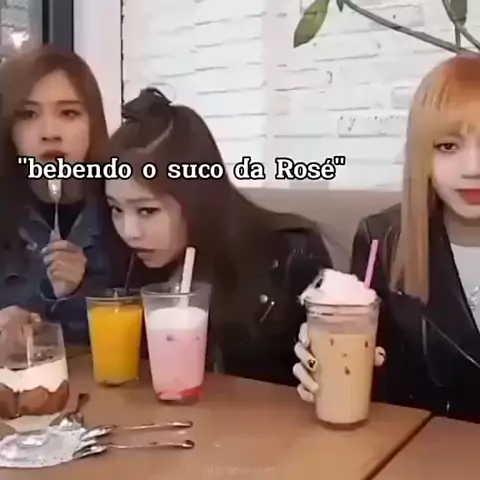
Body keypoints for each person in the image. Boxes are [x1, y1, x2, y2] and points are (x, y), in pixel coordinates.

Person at [293, 52, 480, 423]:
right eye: (447, 146)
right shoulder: (383, 240)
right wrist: (324, 365)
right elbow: (377, 382)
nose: (473, 168)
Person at [103, 87, 332, 385]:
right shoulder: (127, 264)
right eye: (116, 209)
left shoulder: (289, 255)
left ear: (197, 196)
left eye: (147, 210)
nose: (129, 232)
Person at [0, 45, 111, 344]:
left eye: (68, 113)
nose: (50, 132)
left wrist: (76, 293)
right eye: (28, 114)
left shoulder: (126, 212)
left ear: (93, 123)